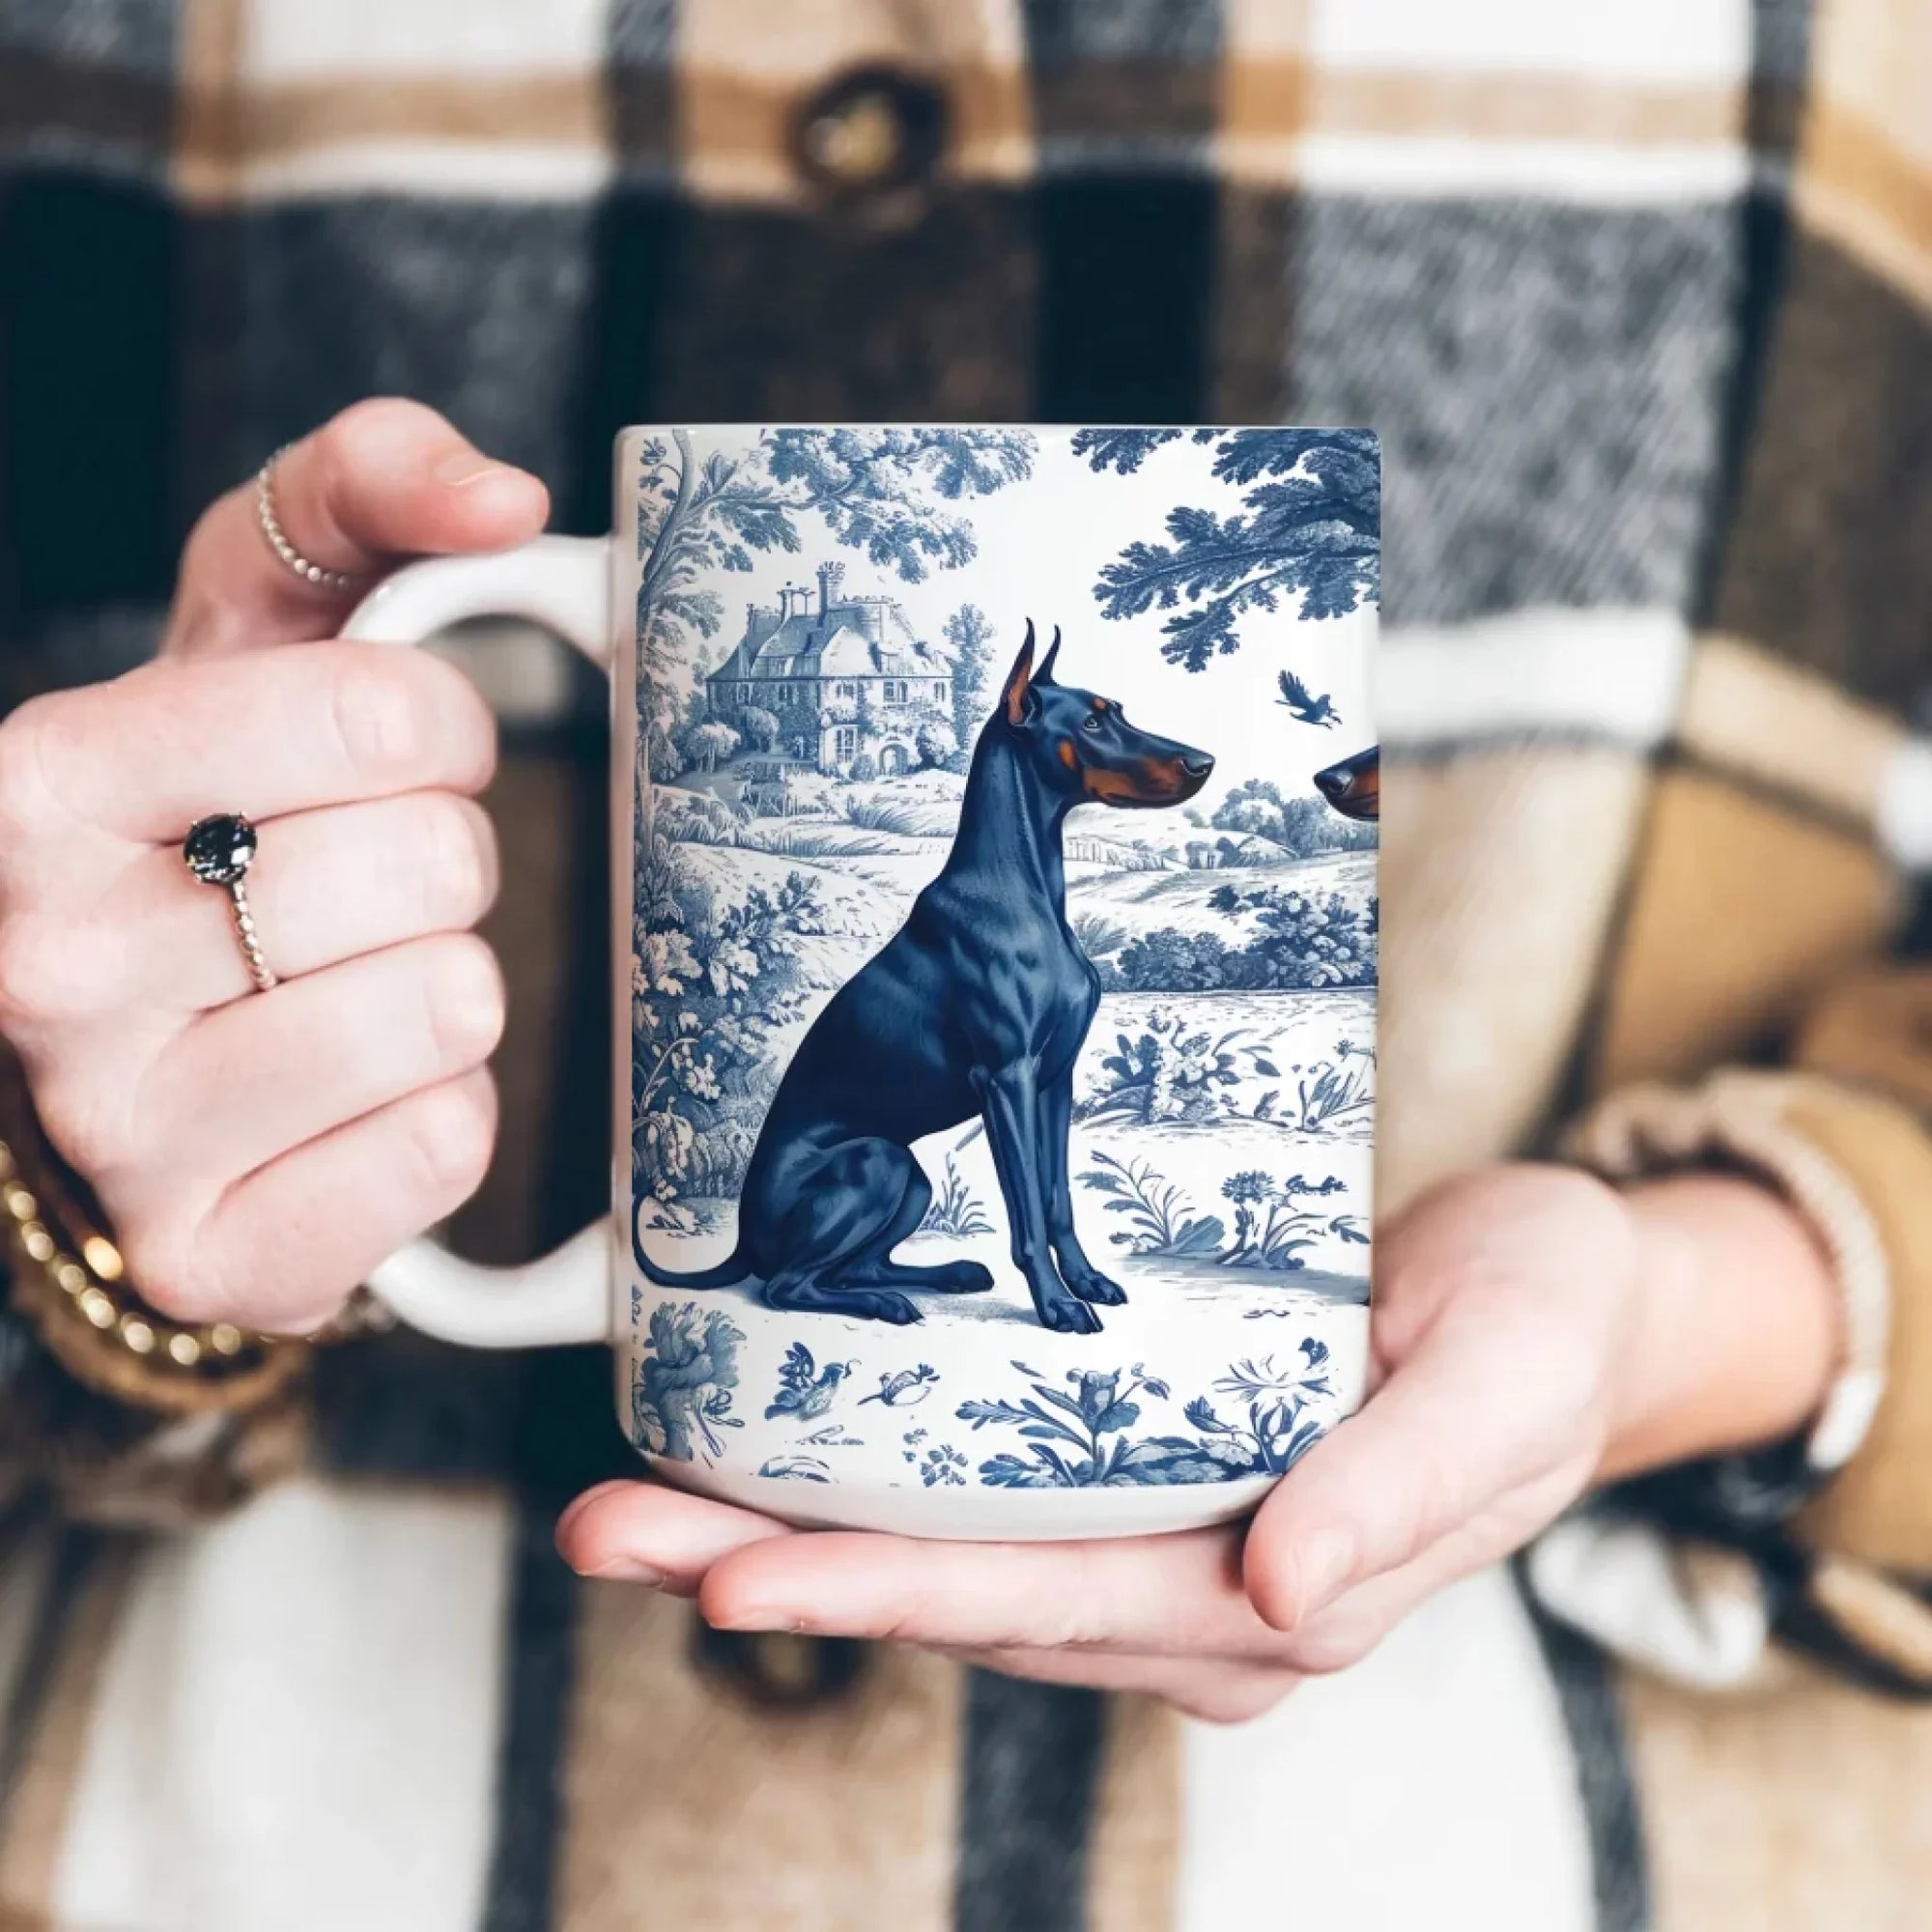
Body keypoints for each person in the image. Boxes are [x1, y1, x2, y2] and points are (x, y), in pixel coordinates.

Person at [0, 6, 1928, 1930]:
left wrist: (1703, 1304)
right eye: (1108, 743)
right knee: (934, 1161)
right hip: (255, 1840)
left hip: (1482, 1855)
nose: (1146, 762)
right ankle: (901, 1268)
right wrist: (68, 1160)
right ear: (1031, 734)